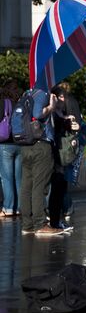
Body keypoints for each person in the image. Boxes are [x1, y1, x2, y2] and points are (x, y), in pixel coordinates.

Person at [20, 88, 65, 235]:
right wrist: (51, 107)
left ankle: (27, 225)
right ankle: (40, 224)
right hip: (41, 144)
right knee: (39, 186)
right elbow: (38, 114)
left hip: (26, 145)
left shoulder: (26, 94)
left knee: (26, 186)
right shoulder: (42, 94)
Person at [48, 85, 81, 230]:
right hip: (56, 155)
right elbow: (55, 131)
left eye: (63, 97)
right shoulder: (54, 113)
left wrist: (73, 125)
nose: (63, 99)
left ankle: (58, 218)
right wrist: (67, 122)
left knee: (61, 187)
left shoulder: (62, 112)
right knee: (57, 187)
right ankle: (54, 220)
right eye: (59, 97)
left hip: (64, 155)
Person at [0, 80, 22, 217]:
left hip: (5, 144)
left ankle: (8, 207)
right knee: (18, 178)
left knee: (6, 178)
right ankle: (19, 207)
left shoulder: (3, 102)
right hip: (20, 143)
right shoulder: (20, 103)